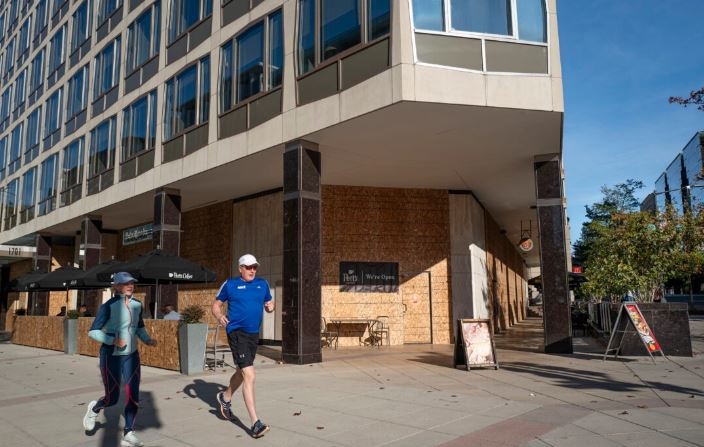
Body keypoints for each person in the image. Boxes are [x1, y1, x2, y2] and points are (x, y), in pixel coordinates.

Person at [82, 272, 157, 447]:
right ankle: (94, 408)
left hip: (131, 356)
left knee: (133, 395)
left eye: (131, 283)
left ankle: (129, 432)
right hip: (110, 355)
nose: (130, 286)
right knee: (113, 398)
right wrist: (112, 340)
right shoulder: (108, 306)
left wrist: (147, 339)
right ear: (116, 286)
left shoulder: (137, 305)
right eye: (125, 284)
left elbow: (139, 327)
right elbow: (93, 331)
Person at [211, 254, 274, 438]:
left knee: (241, 371)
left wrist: (271, 306)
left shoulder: (262, 284)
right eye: (248, 267)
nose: (252, 270)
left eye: (254, 267)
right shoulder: (230, 284)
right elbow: (216, 305)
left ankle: (225, 397)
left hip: (254, 334)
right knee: (249, 375)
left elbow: (269, 302)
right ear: (240, 268)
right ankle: (255, 423)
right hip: (236, 333)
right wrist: (219, 315)